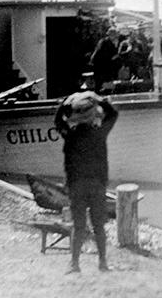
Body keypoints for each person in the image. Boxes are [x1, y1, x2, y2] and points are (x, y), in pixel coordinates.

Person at [55, 74, 119, 273]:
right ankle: (102, 262)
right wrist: (97, 97)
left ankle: (74, 264)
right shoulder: (100, 133)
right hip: (97, 184)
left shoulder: (70, 136)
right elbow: (113, 114)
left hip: (76, 185)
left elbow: (58, 121)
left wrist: (65, 103)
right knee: (99, 225)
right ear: (93, 116)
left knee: (79, 225)